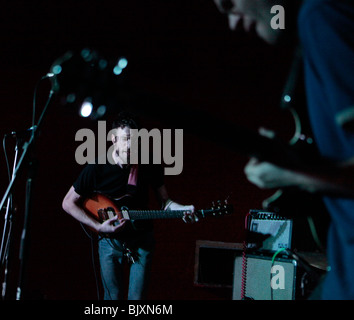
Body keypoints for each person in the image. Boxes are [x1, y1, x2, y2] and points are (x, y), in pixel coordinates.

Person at [213, 0, 354, 299]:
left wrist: (293, 174)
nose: (233, 23)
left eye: (229, 5)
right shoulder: (313, 24)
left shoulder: (321, 16)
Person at [62, 112, 196, 300]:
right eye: (125, 139)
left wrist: (181, 209)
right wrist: (98, 226)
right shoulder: (98, 166)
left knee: (137, 300)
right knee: (112, 298)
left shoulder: (149, 163)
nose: (130, 145)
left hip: (141, 240)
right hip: (109, 241)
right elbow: (68, 202)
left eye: (135, 139)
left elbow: (165, 202)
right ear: (114, 139)